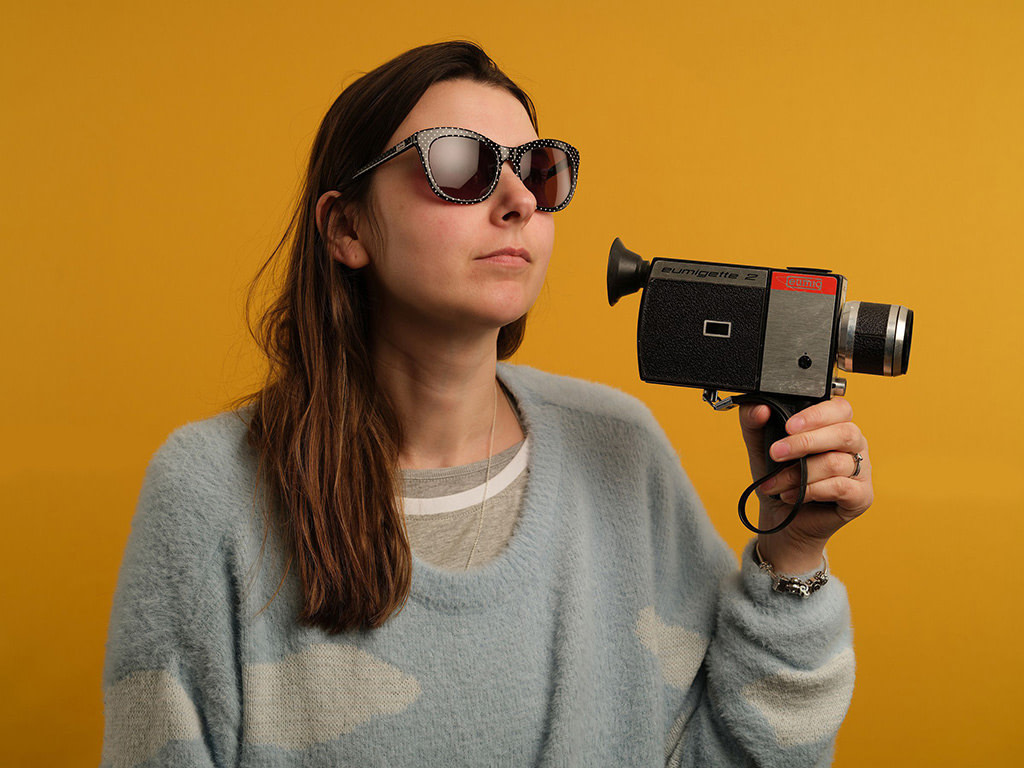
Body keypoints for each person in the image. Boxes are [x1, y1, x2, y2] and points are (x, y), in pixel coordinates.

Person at [101, 41, 872, 767]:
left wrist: (792, 556)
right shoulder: (209, 492)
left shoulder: (622, 453)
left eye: (538, 170)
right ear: (345, 227)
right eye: (459, 164)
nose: (517, 201)